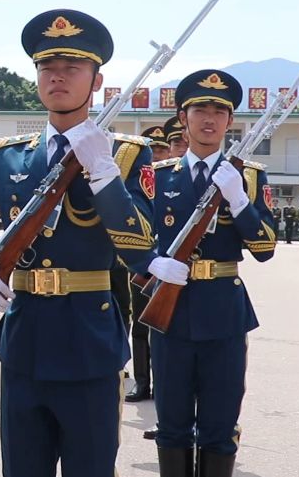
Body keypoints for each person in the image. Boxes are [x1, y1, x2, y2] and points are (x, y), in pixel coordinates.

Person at [0, 9, 156, 477]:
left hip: (89, 344)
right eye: (47, 67)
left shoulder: (126, 155)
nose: (58, 77)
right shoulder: (8, 156)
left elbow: (139, 250)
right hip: (25, 341)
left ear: (97, 81)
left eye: (72, 68)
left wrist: (104, 174)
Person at [143, 69, 275, 476]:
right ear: (183, 118)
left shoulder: (248, 177)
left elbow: (265, 248)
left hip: (223, 313)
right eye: (200, 110)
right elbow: (133, 238)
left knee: (220, 427)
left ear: (230, 120)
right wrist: (152, 264)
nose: (209, 119)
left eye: (219, 111)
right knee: (172, 425)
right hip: (171, 313)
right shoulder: (157, 176)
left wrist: (239, 200)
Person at [126, 126, 171, 404]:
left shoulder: (174, 179)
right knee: (141, 324)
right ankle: (142, 382)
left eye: (162, 149)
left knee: (167, 327)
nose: (157, 155)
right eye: (152, 150)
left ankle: (165, 385)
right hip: (142, 262)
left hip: (169, 262)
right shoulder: (135, 181)